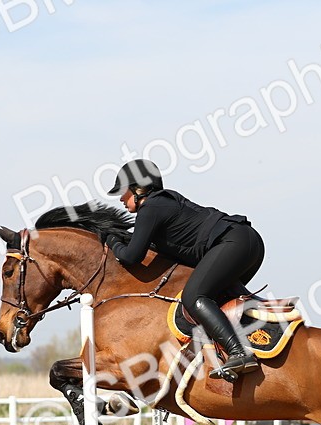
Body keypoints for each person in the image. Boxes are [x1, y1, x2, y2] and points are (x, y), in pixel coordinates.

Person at [103, 158, 264, 380]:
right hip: (248, 241)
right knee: (221, 299)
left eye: (123, 191)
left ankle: (238, 352)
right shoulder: (161, 205)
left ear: (139, 189)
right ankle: (261, 337)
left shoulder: (150, 208)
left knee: (194, 296)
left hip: (233, 243)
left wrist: (110, 240)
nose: (120, 198)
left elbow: (131, 256)